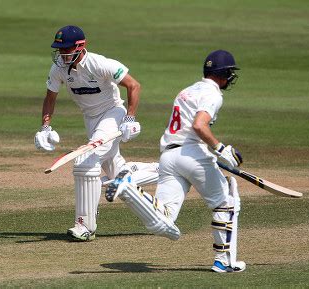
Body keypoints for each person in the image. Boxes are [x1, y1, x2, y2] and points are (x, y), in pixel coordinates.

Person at [106, 50, 246, 273]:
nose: (230, 77)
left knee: (164, 218)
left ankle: (130, 189)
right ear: (222, 74)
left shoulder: (187, 90)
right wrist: (221, 149)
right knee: (225, 204)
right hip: (193, 154)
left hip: (169, 156)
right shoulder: (213, 95)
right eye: (229, 73)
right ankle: (223, 261)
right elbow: (199, 126)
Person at [34, 25, 159, 242]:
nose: (62, 54)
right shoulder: (59, 69)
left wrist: (129, 118)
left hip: (113, 113)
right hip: (91, 120)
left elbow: (134, 85)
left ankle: (85, 225)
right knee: (116, 175)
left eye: (66, 49)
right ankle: (169, 170)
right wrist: (45, 127)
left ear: (80, 46)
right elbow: (50, 98)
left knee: (85, 163)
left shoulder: (99, 63)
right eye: (59, 50)